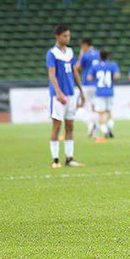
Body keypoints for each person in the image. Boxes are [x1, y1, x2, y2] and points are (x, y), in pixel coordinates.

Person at [46, 24, 86, 168]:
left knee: (70, 126)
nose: (67, 38)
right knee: (56, 126)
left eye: (68, 35)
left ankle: (69, 158)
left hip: (71, 93)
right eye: (65, 36)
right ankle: (56, 160)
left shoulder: (70, 52)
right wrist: (58, 92)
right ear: (57, 36)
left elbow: (75, 72)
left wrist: (81, 91)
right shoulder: (52, 53)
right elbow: (51, 74)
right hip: (58, 96)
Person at [87, 50, 120, 142]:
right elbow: (117, 76)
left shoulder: (95, 66)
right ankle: (110, 127)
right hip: (109, 91)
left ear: (99, 57)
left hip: (100, 92)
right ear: (108, 57)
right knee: (109, 111)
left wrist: (96, 80)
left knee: (101, 113)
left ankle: (104, 130)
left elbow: (89, 77)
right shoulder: (113, 65)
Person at [75, 37, 100, 137]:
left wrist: (80, 55)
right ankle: (95, 133)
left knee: (78, 107)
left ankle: (90, 123)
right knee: (95, 109)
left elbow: (77, 68)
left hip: (87, 84)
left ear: (85, 45)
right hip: (97, 85)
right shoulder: (98, 53)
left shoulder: (85, 55)